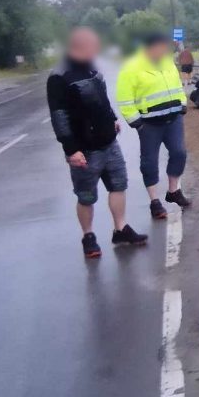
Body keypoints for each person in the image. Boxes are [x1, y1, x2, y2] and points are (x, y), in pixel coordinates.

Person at [47, 27, 148, 258]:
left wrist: (112, 119)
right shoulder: (59, 77)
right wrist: (71, 149)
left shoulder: (91, 68)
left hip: (108, 143)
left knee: (118, 185)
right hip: (84, 150)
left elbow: (102, 99)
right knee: (86, 196)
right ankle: (88, 236)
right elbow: (59, 116)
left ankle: (120, 228)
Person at [117, 33, 193, 220]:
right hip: (149, 124)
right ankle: (155, 202)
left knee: (179, 153)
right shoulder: (132, 67)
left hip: (173, 119)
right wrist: (137, 123)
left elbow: (177, 86)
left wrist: (182, 104)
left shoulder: (167, 62)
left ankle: (173, 191)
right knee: (149, 162)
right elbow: (125, 99)